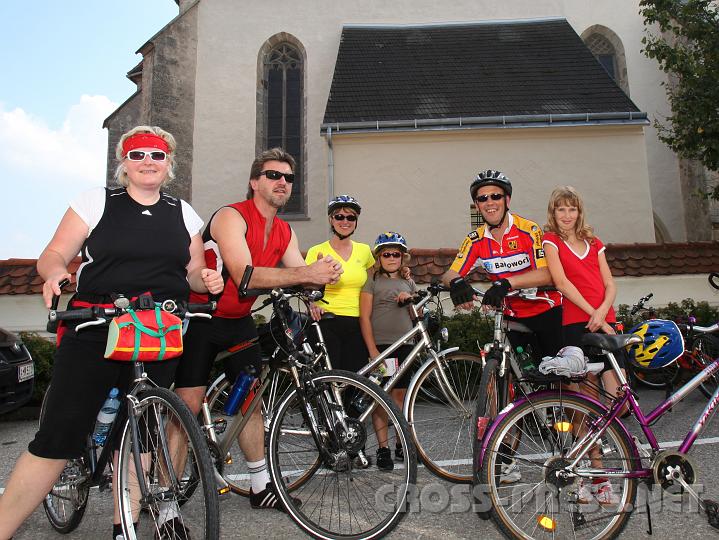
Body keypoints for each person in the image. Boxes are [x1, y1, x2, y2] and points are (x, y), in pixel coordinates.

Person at [0, 126, 224, 540]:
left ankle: (127, 524)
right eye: (137, 154)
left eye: (156, 155)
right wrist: (53, 275)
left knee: (141, 433)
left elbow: (191, 271)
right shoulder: (95, 201)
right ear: (123, 163)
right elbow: (55, 253)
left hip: (159, 330)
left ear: (168, 163)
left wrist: (205, 278)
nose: (147, 162)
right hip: (97, 326)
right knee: (59, 435)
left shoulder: (183, 212)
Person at [174, 148, 342, 510]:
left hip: (238, 320)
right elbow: (244, 275)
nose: (282, 182)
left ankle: (260, 485)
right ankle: (166, 501)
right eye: (273, 175)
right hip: (201, 317)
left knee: (253, 403)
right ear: (254, 182)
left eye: (288, 178)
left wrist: (321, 279)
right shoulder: (230, 216)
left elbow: (299, 274)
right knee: (185, 405)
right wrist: (305, 274)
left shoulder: (284, 230)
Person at [442, 169, 563, 485]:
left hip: (546, 313)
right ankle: (507, 461)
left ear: (507, 199)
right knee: (506, 389)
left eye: (495, 196)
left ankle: (589, 439)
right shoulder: (476, 240)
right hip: (511, 319)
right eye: (483, 198)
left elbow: (546, 273)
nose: (489, 202)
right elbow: (450, 271)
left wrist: (506, 282)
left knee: (564, 383)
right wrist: (456, 282)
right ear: (477, 206)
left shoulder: (528, 229)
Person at [543, 185, 624, 505]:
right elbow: (561, 284)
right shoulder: (551, 241)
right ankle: (593, 478)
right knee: (584, 407)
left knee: (619, 400)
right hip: (577, 326)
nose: (567, 215)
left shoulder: (594, 243)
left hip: (606, 322)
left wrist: (603, 314)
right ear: (554, 212)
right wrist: (593, 315)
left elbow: (609, 284)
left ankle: (606, 467)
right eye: (561, 209)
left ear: (579, 212)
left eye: (572, 209)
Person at [359, 232, 416, 471]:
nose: (392, 258)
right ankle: (382, 448)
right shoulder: (372, 281)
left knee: (401, 398)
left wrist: (410, 299)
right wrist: (372, 350)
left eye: (396, 254)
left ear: (403, 257)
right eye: (386, 254)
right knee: (381, 398)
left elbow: (415, 315)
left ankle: (401, 443)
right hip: (382, 347)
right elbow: (364, 316)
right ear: (379, 257)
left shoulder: (408, 281)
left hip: (405, 345)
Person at [305, 196, 374, 372]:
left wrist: (405, 273)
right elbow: (305, 287)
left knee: (355, 382)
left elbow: (376, 281)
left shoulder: (365, 251)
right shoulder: (316, 251)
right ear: (331, 219)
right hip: (326, 321)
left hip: (357, 323)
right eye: (339, 216)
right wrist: (312, 304)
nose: (345, 221)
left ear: (356, 221)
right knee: (328, 381)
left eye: (350, 217)